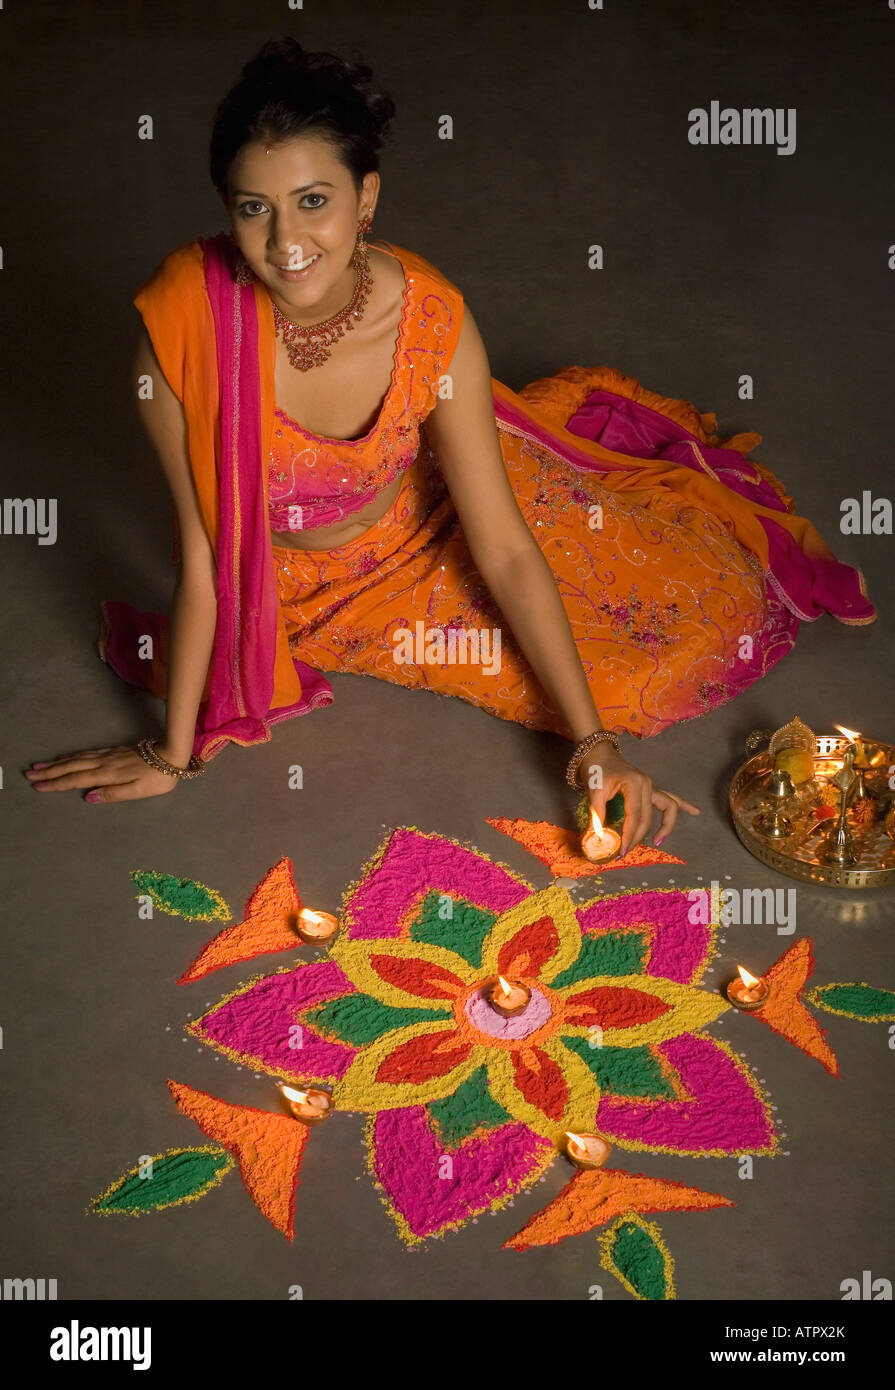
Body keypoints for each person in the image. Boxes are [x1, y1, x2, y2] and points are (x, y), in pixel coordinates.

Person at [25, 37, 874, 857]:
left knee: (650, 650)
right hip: (289, 585)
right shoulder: (182, 327)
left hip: (426, 520)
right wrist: (172, 755)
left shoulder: (429, 318)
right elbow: (209, 554)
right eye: (255, 208)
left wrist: (592, 747)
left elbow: (501, 547)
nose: (286, 240)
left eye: (314, 200)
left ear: (367, 199)